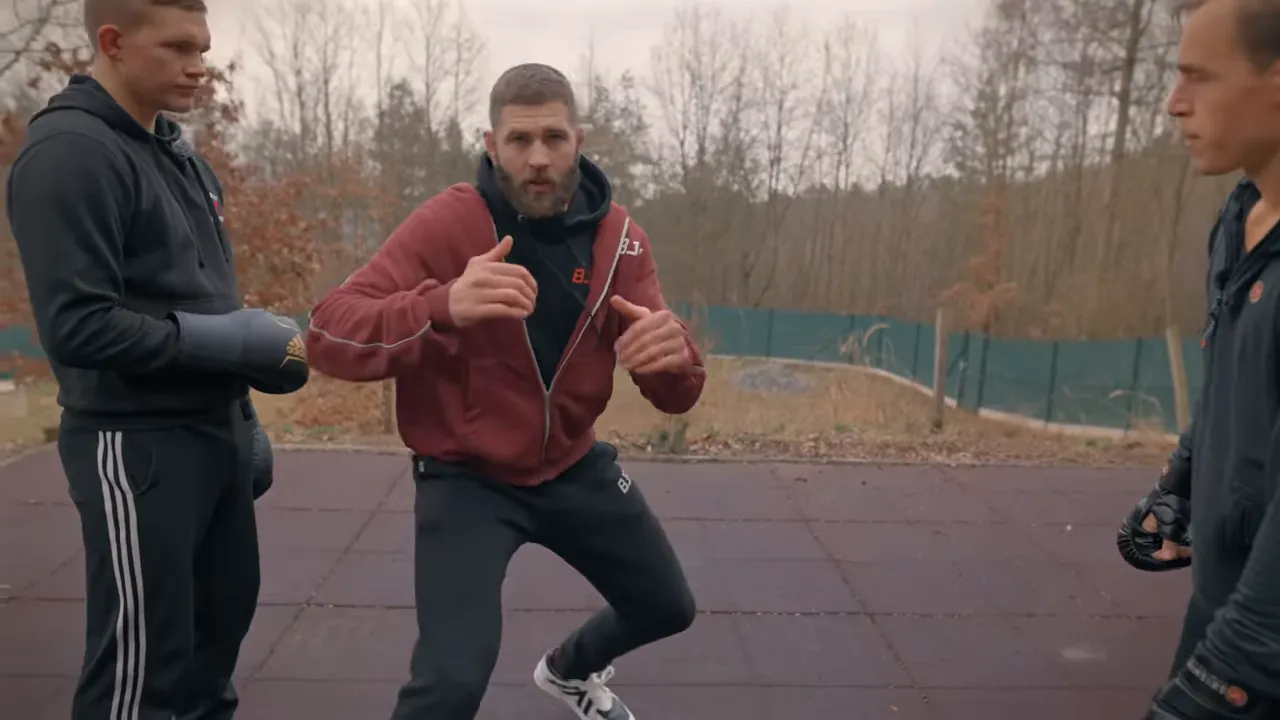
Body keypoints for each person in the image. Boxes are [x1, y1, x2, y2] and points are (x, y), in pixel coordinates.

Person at [304, 62, 705, 720]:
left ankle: (569, 673)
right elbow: (328, 331)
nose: (539, 158)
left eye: (554, 137)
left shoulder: (621, 241)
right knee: (450, 687)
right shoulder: (449, 225)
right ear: (491, 145)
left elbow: (677, 391)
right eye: (520, 141)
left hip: (572, 467)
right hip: (467, 481)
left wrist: (674, 361)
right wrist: (440, 306)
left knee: (668, 606)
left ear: (580, 138)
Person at [6, 1, 308, 718]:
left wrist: (240, 414)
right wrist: (230, 344)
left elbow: (201, 294)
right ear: (111, 41)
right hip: (137, 446)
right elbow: (79, 328)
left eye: (202, 48)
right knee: (141, 680)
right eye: (177, 48)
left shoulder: (178, 153)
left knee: (211, 666)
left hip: (214, 437)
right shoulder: (70, 153)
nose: (199, 66)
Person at [1118, 0, 1280, 717]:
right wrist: (1187, 475)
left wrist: (1231, 677)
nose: (1173, 104)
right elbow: (1234, 387)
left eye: (1199, 78)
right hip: (1221, 610)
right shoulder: (1240, 218)